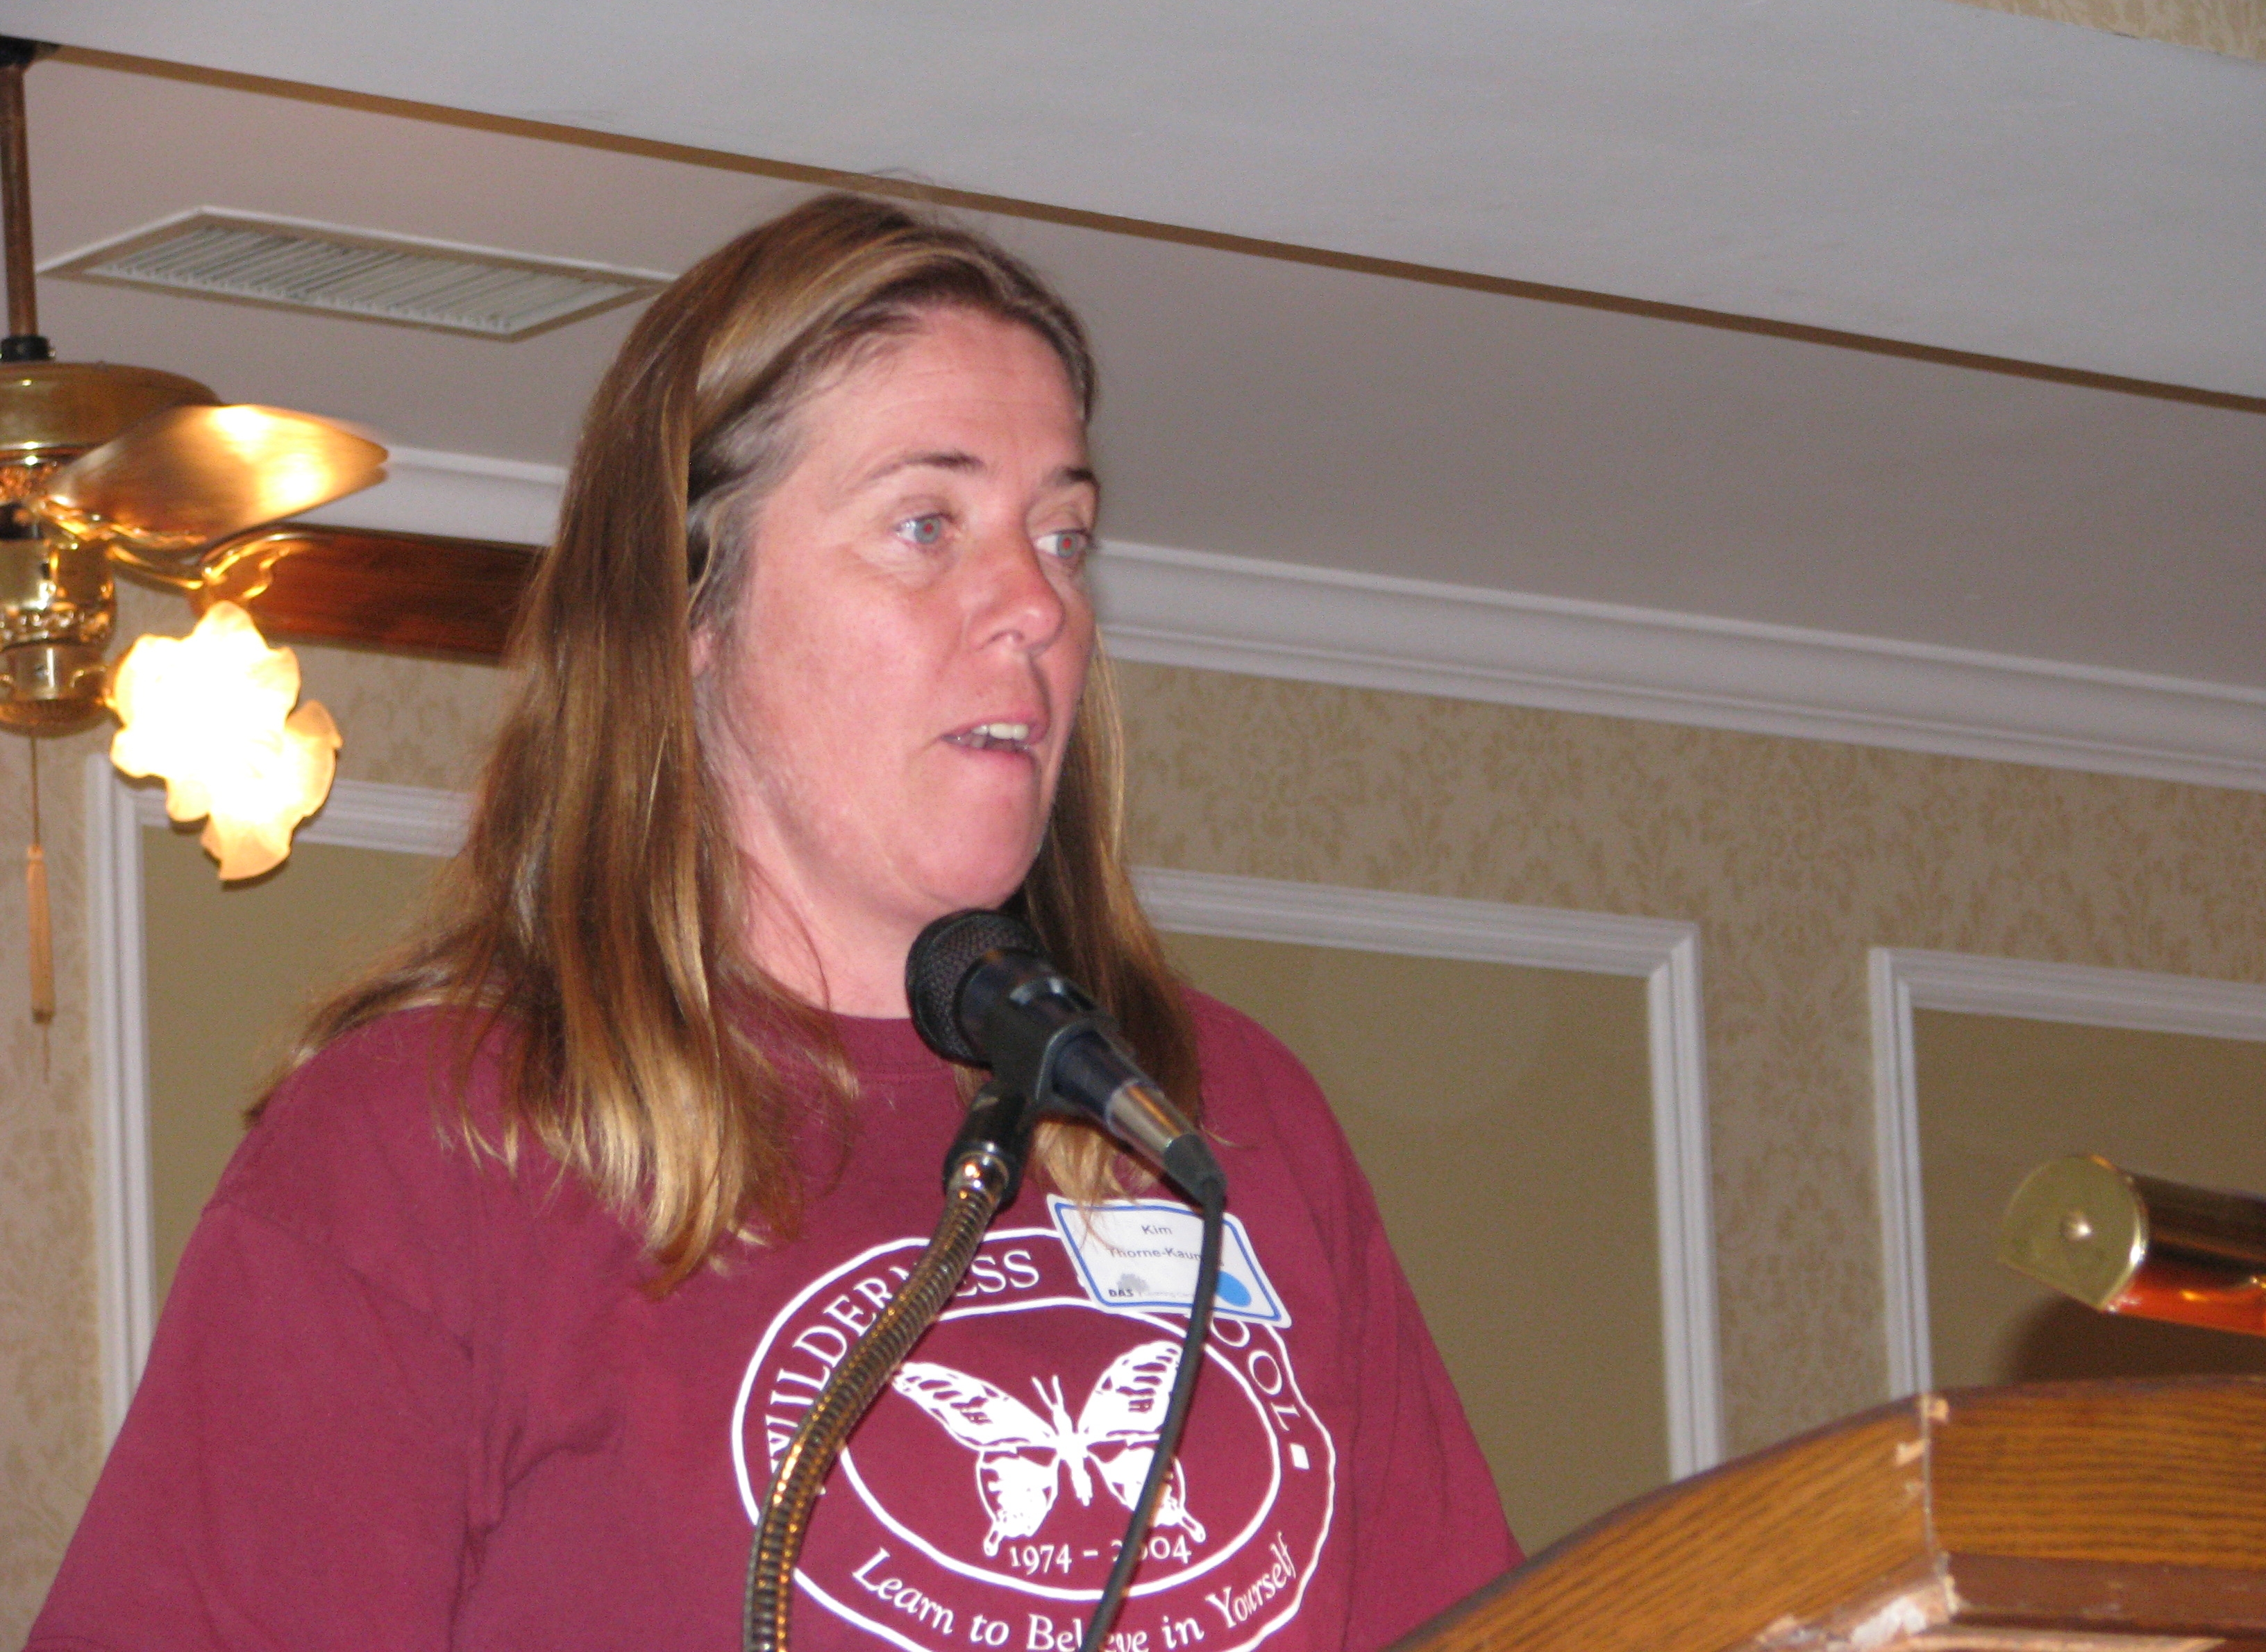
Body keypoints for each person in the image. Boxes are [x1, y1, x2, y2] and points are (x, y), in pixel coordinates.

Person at [30, 194, 1516, 1651]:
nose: (1036, 606)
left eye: (1061, 538)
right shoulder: (425, 1147)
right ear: (693, 615)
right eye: (927, 524)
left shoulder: (1221, 1116)